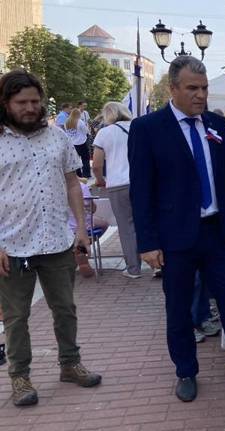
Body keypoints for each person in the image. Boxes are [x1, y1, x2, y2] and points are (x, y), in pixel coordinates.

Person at [128, 56, 225, 402]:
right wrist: (147, 243)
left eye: (204, 88)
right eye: (192, 88)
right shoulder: (148, 129)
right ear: (173, 88)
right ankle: (186, 372)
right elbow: (141, 191)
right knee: (178, 309)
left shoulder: (217, 125)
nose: (200, 95)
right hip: (175, 237)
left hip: (218, 232)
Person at [0, 69, 101, 407]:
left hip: (57, 238)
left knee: (65, 308)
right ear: (6, 103)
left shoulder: (57, 137)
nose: (30, 108)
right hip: (11, 244)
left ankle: (70, 365)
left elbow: (73, 182)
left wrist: (81, 230)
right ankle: (20, 378)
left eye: (34, 101)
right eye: (21, 102)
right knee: (16, 317)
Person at [91, 102, 142, 279]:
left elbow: (97, 164)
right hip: (141, 182)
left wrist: (100, 180)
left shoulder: (104, 133)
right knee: (147, 222)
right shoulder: (139, 127)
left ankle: (134, 268)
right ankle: (158, 264)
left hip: (118, 184)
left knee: (126, 227)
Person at [64, 108, 91, 178]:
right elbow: (86, 131)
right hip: (81, 142)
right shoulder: (79, 121)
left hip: (72, 143)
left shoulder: (67, 122)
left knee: (75, 160)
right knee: (85, 159)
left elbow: (66, 133)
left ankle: (78, 175)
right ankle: (86, 174)